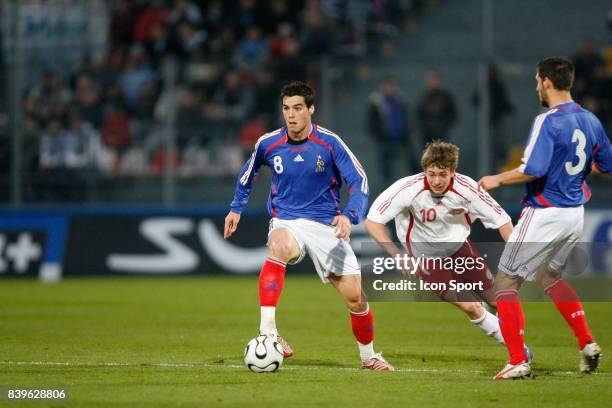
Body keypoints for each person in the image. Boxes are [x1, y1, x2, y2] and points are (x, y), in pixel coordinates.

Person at [224, 81, 395, 371]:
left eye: (298, 108)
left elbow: (359, 181)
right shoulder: (268, 143)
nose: (291, 115)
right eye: (286, 109)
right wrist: (235, 208)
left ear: (311, 109)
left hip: (327, 225)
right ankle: (269, 332)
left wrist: (349, 215)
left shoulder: (330, 143)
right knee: (278, 246)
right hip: (286, 220)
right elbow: (248, 174)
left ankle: (369, 357)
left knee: (355, 298)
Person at [478, 56, 612, 380]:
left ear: (548, 82)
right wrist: (574, 173)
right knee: (550, 278)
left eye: (538, 81)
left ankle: (516, 361)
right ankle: (586, 342)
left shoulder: (548, 120)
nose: (537, 86)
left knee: (505, 284)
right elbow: (605, 165)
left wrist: (496, 179)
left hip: (545, 212)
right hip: (574, 214)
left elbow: (533, 170)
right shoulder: (590, 119)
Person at [365, 141, 532, 355]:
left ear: (453, 171)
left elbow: (502, 221)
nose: (436, 181)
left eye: (442, 174)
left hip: (461, 250)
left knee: (498, 301)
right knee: (470, 306)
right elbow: (373, 221)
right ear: (424, 170)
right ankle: (519, 354)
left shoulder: (468, 189)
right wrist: (398, 255)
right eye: (431, 173)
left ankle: (517, 351)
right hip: (425, 259)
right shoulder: (407, 189)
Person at [367, 76, 419, 186]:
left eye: (392, 86)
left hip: (402, 138)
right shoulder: (376, 103)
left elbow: (407, 118)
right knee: (386, 168)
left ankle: (412, 185)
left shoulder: (401, 101)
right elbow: (371, 122)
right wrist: (379, 135)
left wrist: (407, 132)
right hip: (384, 139)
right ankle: (387, 188)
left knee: (408, 163)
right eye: (387, 86)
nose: (390, 88)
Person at [417, 71, 457, 144]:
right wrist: (424, 128)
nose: (433, 82)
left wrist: (444, 126)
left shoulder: (446, 97)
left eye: (435, 80)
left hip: (442, 134)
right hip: (427, 135)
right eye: (431, 80)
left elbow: (453, 114)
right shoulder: (424, 97)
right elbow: (419, 115)